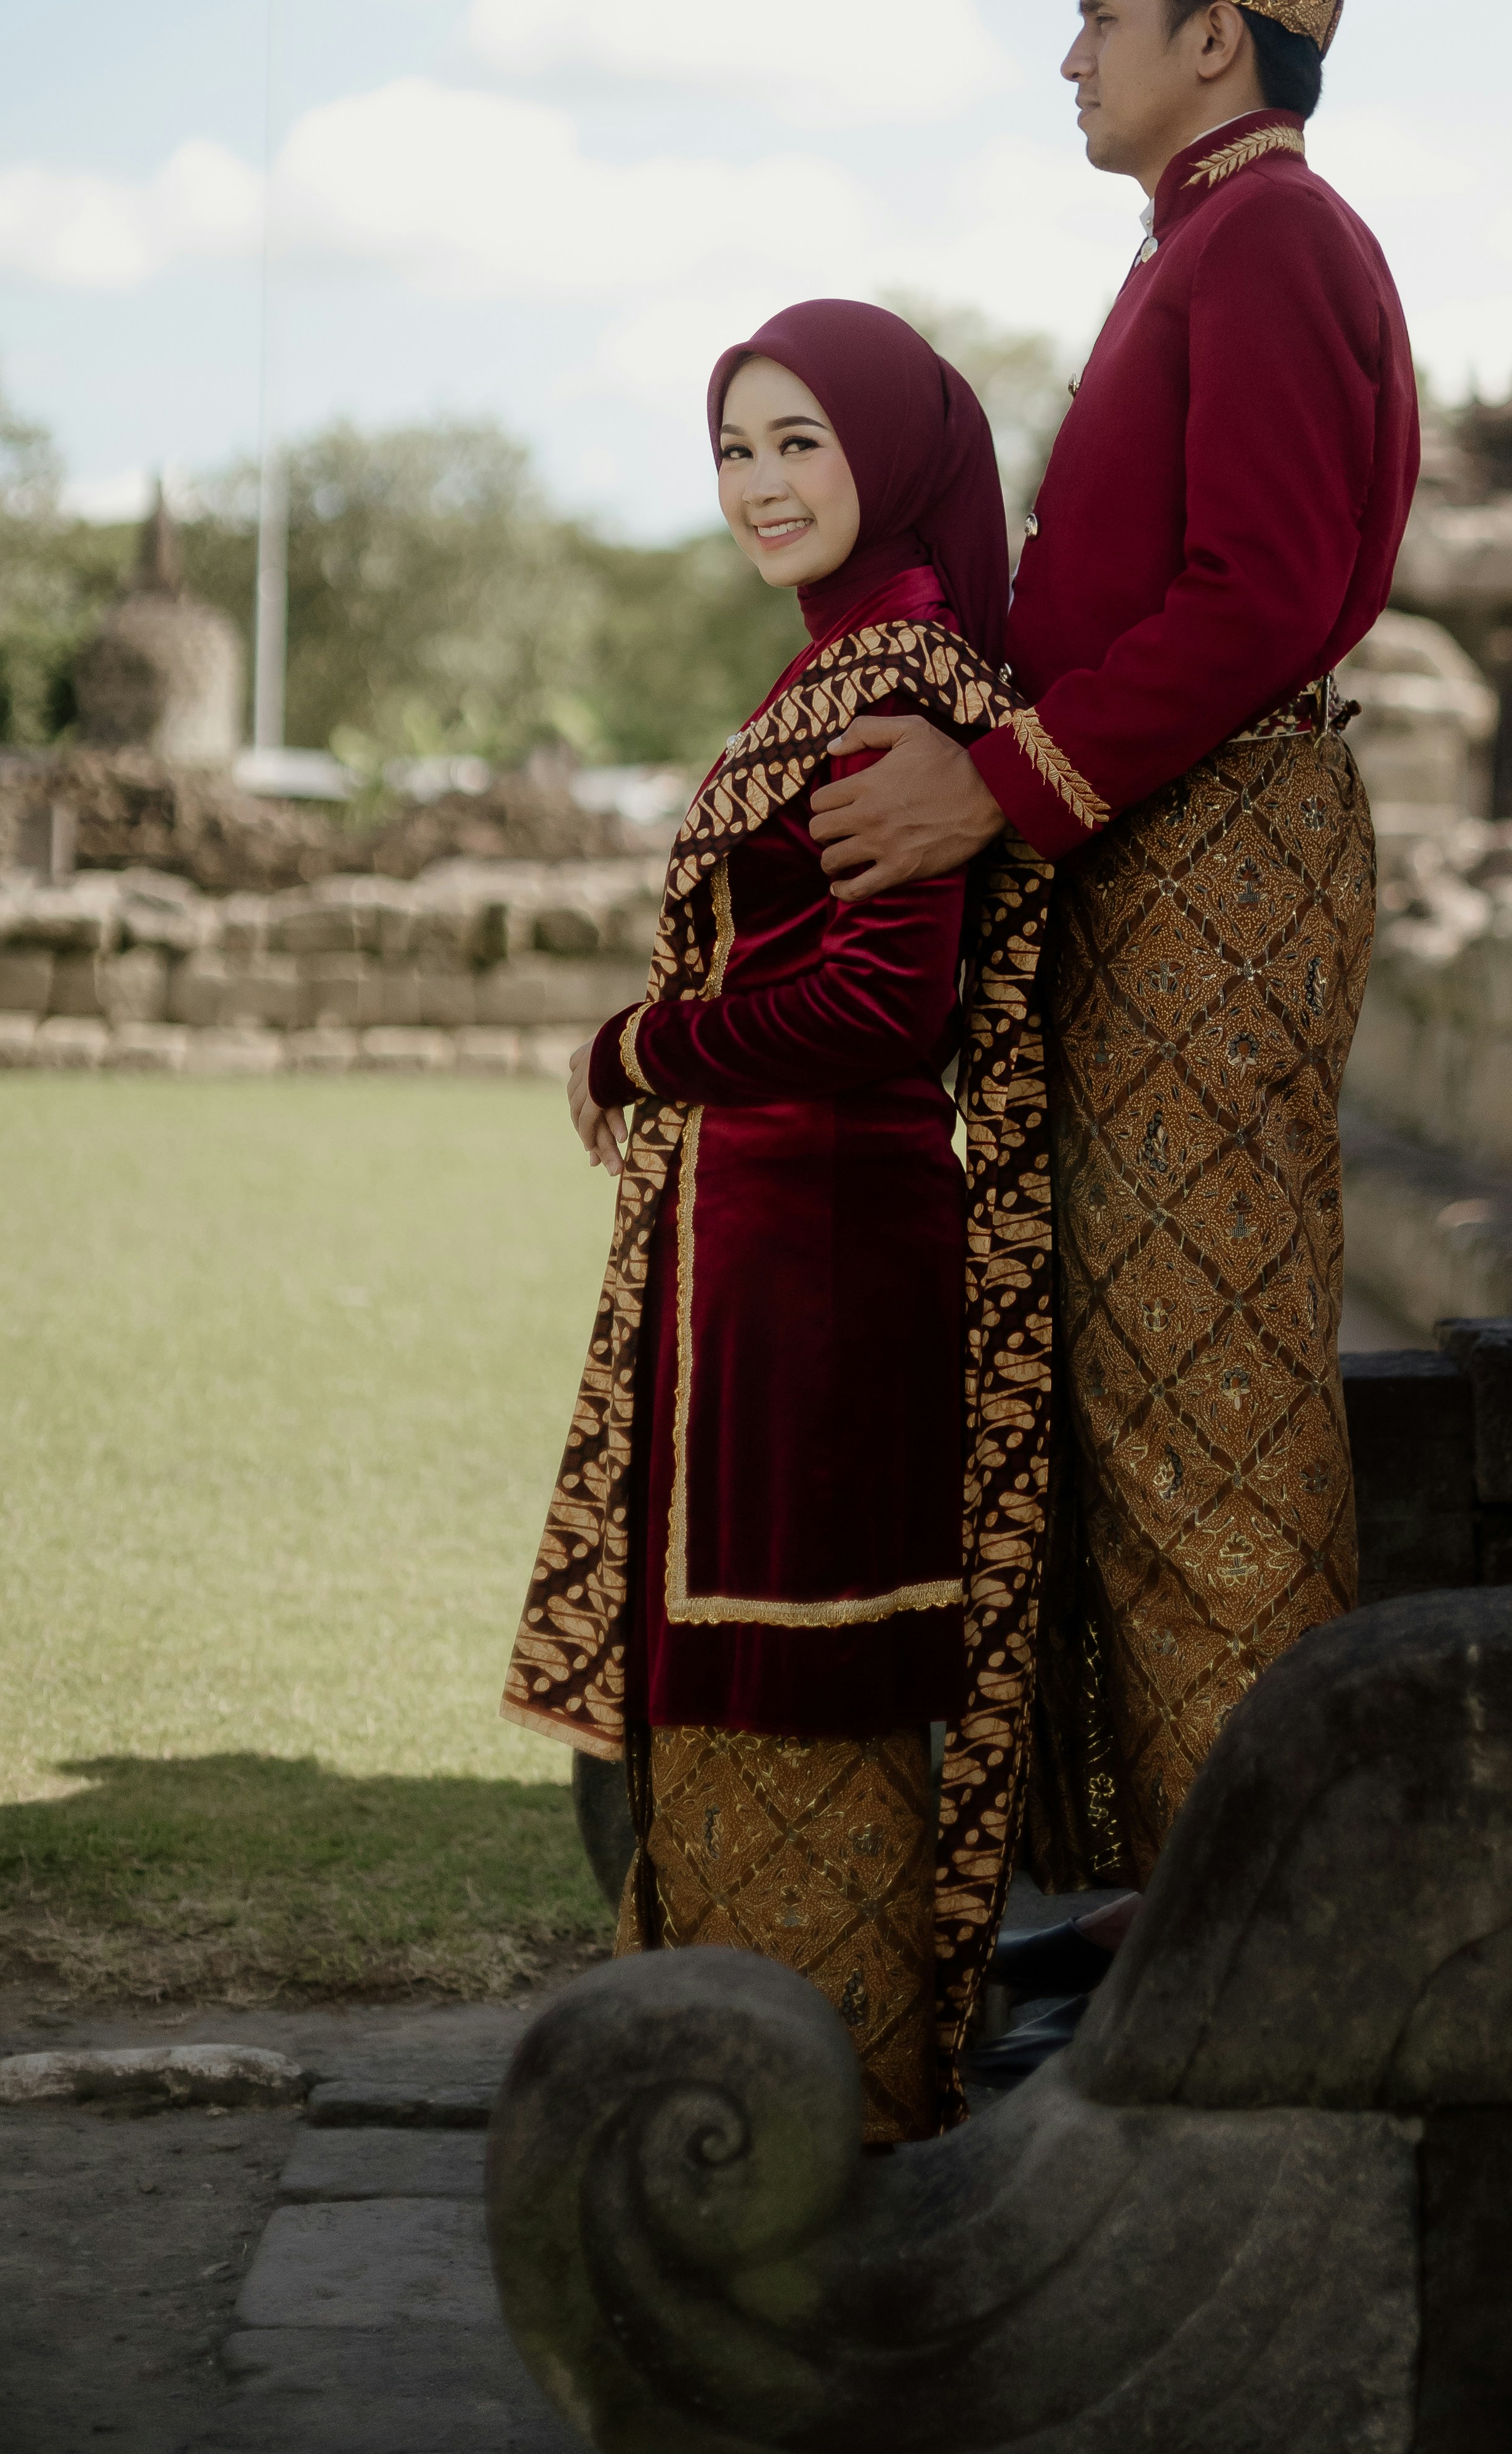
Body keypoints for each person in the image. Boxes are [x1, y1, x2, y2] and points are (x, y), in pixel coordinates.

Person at [809, 0, 1420, 1898]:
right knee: (1136, 1386)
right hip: (1166, 849)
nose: (1068, 54)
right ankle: (1183, 1912)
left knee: (1202, 1402)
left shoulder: (1266, 242)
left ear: (1213, 38)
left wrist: (998, 789)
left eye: (1099, 15)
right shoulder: (1202, 245)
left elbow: (1251, 597)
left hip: (1217, 856)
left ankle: (1272, 1944)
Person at [502, 301, 1059, 2141]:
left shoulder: (891, 685)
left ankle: (821, 2104)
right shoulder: (836, 670)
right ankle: (751, 2081)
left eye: (798, 439)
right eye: (734, 446)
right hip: (757, 1248)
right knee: (736, 1667)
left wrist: (637, 1040)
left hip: (825, 1250)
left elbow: (879, 1010)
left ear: (890, 451)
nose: (757, 481)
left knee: (800, 1656)